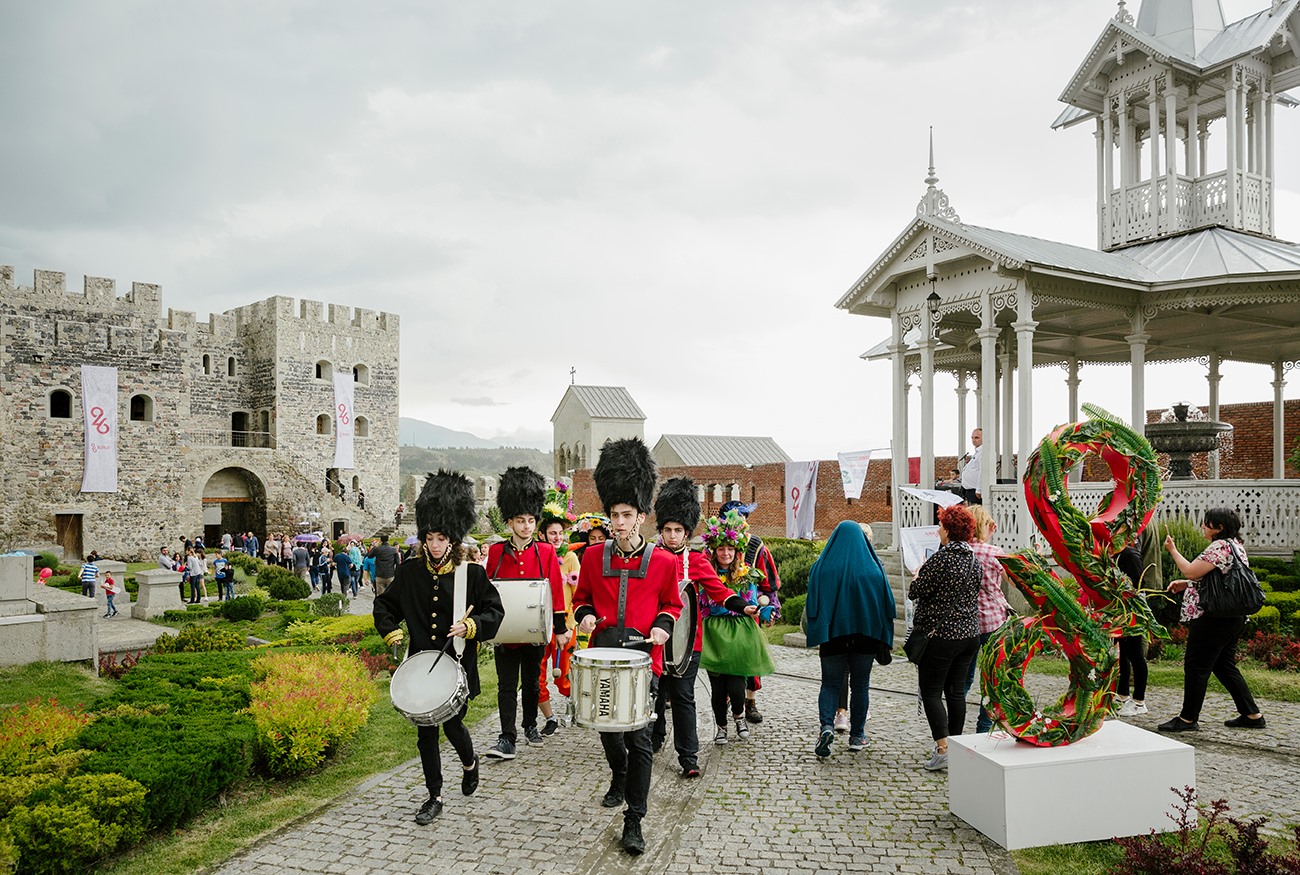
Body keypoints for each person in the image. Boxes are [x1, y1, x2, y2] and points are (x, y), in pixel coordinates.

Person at [373, 470, 504, 824]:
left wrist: (470, 626)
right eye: (429, 538)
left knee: (453, 727)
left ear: (453, 538)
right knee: (425, 734)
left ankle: (470, 763)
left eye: (441, 538)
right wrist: (390, 630)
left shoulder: (471, 574)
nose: (434, 545)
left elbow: (495, 611)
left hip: (458, 664)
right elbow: (384, 605)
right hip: (422, 665)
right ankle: (434, 796)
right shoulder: (410, 572)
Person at [573, 438, 683, 856]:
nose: (618, 523)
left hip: (642, 663)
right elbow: (582, 598)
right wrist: (585, 615)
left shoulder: (664, 562)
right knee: (608, 731)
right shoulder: (591, 557)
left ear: (641, 516)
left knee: (639, 741)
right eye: (614, 515)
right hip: (602, 660)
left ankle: (634, 819)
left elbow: (672, 605)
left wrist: (661, 626)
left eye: (626, 515)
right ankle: (618, 774)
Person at [652, 477, 754, 776]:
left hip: (688, 643)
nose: (673, 536)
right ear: (661, 531)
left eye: (678, 530)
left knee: (683, 697)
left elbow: (719, 591)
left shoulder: (696, 561)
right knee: (655, 695)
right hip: (655, 639)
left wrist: (743, 606)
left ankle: (688, 757)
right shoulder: (651, 558)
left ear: (686, 532)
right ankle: (654, 738)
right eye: (668, 530)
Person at [484, 467, 569, 760]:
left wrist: (560, 628)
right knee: (506, 686)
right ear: (510, 522)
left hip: (535, 631)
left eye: (531, 520)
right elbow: (488, 590)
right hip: (506, 632)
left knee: (533, 683)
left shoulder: (546, 552)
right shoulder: (497, 552)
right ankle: (507, 737)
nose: (527, 526)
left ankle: (530, 725)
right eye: (521, 521)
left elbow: (555, 590)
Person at [1159, 508, 1265, 732]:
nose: (1203, 527)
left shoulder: (1220, 547)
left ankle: (1187, 719)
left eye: (1207, 524)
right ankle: (1252, 714)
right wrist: (1187, 585)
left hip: (1213, 617)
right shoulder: (1236, 546)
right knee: (1224, 665)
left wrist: (1173, 550)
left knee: (1196, 666)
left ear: (1219, 528)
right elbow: (1220, 579)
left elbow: (1191, 571)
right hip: (1232, 616)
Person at [806, 521, 896, 758]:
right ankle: (857, 735)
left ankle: (827, 726)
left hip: (833, 635)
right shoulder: (874, 569)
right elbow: (887, 604)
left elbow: (812, 602)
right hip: (866, 635)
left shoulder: (822, 567)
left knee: (830, 684)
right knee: (860, 685)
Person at [909, 503, 982, 770]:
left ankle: (943, 748)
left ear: (949, 529)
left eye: (940, 526)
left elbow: (915, 591)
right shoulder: (973, 559)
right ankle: (955, 746)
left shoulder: (941, 559)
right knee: (956, 692)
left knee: (931, 692)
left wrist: (917, 575)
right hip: (969, 634)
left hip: (941, 636)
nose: (938, 531)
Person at [700, 509, 775, 746]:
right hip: (714, 634)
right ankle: (721, 727)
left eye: (730, 549)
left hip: (740, 633)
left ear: (737, 551)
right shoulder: (706, 575)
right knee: (717, 686)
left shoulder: (746, 575)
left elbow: (751, 602)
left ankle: (739, 717)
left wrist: (764, 610)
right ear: (714, 551)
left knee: (736, 683)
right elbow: (706, 604)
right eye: (721, 549)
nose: (725, 553)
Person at [718, 500, 781, 724]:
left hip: (750, 610)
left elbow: (768, 581)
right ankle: (727, 697)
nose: (739, 523)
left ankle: (750, 700)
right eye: (733, 518)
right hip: (720, 611)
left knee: (749, 657)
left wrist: (771, 607)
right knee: (724, 657)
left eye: (743, 518)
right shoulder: (716, 545)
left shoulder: (755, 544)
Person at [962, 505, 1013, 734]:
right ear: (985, 526)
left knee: (963, 679)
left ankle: (954, 725)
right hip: (993, 622)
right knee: (992, 677)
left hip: (966, 623)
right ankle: (983, 727)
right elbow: (1013, 580)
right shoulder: (993, 552)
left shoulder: (959, 551)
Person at [536, 484, 580, 736]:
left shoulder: (571, 559)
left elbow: (577, 595)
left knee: (564, 675)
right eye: (552, 533)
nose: (557, 537)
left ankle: (575, 707)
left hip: (565, 626)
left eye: (560, 533)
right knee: (536, 676)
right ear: (542, 535)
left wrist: (569, 627)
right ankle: (549, 718)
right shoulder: (536, 557)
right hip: (538, 626)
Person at [1115, 541, 1152, 718]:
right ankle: (1122, 695)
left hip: (1133, 609)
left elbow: (1139, 584)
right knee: (1121, 652)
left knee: (1135, 654)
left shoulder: (1130, 555)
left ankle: (1139, 701)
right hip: (1119, 609)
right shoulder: (1113, 555)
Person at [369, 534, 401, 599]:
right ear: (388, 540)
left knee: (380, 596)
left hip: (379, 575)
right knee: (391, 595)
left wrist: (375, 547)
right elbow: (398, 563)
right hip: (390, 574)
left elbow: (369, 556)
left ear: (381, 540)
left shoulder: (378, 549)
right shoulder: (393, 549)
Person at [960, 428, 983, 505]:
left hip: (975, 491)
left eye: (977, 437)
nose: (973, 440)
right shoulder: (977, 453)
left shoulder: (983, 453)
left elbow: (982, 472)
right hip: (968, 490)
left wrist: (979, 489)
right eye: (972, 438)